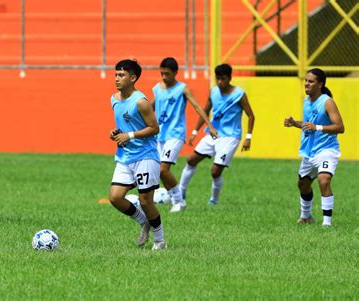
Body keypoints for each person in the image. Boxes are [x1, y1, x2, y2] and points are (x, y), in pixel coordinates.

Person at [109, 59, 167, 250]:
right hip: (125, 156)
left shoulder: (141, 102)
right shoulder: (114, 99)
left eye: (121, 75)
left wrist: (130, 135)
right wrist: (117, 133)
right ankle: (144, 222)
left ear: (133, 78)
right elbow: (125, 125)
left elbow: (155, 128)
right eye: (116, 74)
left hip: (145, 156)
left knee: (145, 200)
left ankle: (160, 241)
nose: (117, 78)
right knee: (115, 197)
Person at [179, 64, 255, 205]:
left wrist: (248, 137)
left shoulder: (239, 94)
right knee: (191, 160)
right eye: (217, 79)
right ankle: (180, 193)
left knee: (215, 171)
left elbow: (251, 116)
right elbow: (205, 112)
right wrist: (195, 132)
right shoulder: (214, 92)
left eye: (223, 79)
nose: (220, 82)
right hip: (213, 134)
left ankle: (214, 200)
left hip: (230, 137)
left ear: (230, 78)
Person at [152, 57, 217, 213]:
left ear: (175, 73)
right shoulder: (157, 88)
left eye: (167, 74)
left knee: (162, 169)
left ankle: (179, 201)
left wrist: (209, 125)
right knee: (159, 171)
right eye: (162, 73)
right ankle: (174, 198)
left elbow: (197, 107)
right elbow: (152, 106)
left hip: (176, 134)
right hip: (160, 135)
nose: (164, 77)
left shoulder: (182, 89)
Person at [284, 68, 344, 227]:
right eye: (306, 81)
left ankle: (327, 224)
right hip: (310, 152)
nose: (306, 84)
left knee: (324, 180)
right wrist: (294, 123)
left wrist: (317, 128)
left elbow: (339, 127)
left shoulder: (327, 101)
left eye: (310, 81)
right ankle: (306, 216)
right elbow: (308, 125)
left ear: (320, 84)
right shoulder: (306, 101)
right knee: (302, 184)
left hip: (327, 150)